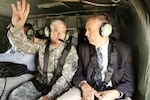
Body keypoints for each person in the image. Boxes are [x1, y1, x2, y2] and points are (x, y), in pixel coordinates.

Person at [7, 0, 78, 100]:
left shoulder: (70, 51)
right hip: (40, 83)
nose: (60, 34)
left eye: (63, 32)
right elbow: (21, 45)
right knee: (14, 96)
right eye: (56, 31)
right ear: (48, 32)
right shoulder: (42, 45)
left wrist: (49, 96)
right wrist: (17, 28)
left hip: (60, 87)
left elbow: (66, 79)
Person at [57, 15, 135, 100]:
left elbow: (129, 84)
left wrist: (115, 94)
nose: (86, 34)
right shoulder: (83, 49)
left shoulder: (124, 50)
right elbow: (77, 74)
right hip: (87, 88)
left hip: (113, 91)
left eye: (89, 30)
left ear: (105, 31)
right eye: (86, 30)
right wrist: (84, 86)